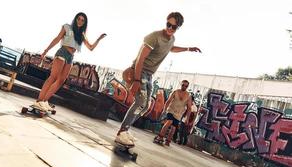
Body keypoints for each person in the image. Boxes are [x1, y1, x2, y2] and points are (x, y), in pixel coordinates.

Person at [114, 12, 201, 146]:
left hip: (149, 75)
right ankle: (121, 132)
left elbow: (171, 48)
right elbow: (140, 58)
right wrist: (136, 80)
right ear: (166, 22)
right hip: (140, 72)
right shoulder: (154, 37)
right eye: (168, 24)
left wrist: (188, 49)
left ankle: (126, 129)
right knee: (140, 102)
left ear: (178, 27)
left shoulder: (171, 39)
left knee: (146, 106)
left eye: (174, 27)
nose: (170, 28)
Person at [33, 12, 106, 111]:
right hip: (62, 52)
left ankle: (45, 101)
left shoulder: (82, 35)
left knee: (61, 81)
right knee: (53, 77)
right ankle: (39, 101)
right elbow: (57, 38)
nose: (80, 21)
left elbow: (91, 47)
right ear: (75, 19)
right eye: (78, 19)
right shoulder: (67, 27)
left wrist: (99, 39)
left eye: (82, 20)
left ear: (85, 23)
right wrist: (46, 50)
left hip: (70, 57)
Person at [154, 80, 192, 146]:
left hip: (179, 113)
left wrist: (187, 118)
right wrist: (164, 110)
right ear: (181, 85)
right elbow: (168, 101)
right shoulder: (175, 92)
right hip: (171, 110)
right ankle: (160, 136)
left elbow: (189, 108)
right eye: (183, 85)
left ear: (187, 86)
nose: (184, 87)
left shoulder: (188, 96)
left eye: (186, 86)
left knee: (174, 127)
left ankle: (168, 140)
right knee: (169, 121)